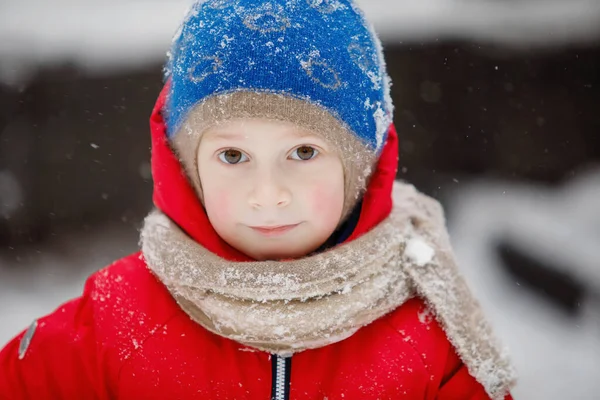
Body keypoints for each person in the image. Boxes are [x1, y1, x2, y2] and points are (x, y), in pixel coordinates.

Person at [0, 1, 516, 399]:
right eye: (232, 156)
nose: (268, 195)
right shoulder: (114, 322)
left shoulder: (427, 329)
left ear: (361, 166)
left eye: (304, 150)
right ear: (187, 170)